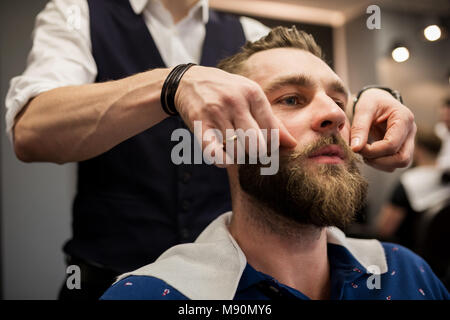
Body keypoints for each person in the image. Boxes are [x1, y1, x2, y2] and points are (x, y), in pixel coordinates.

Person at [5, 0, 416, 299]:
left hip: (243, 289)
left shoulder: (249, 31)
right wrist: (172, 84)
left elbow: (314, 95)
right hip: (105, 281)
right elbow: (31, 132)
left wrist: (377, 96)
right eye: (289, 99)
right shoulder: (79, 14)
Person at [100, 26, 448, 300]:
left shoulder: (406, 273)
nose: (335, 115)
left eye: (339, 101)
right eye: (292, 99)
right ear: (225, 139)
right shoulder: (153, 293)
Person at [376, 130, 448, 251]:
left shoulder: (409, 182)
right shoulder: (445, 178)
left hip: (404, 253)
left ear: (419, 149)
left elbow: (385, 230)